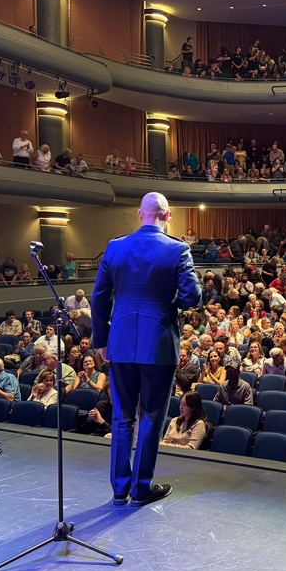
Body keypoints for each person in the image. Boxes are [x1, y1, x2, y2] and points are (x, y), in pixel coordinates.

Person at [92, 192, 202, 508]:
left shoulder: (115, 247)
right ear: (168, 217)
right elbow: (191, 298)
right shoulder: (179, 249)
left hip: (121, 343)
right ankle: (141, 488)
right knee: (152, 416)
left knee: (123, 417)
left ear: (140, 214)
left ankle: (119, 490)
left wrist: (102, 341)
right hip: (159, 343)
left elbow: (99, 299)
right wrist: (168, 304)